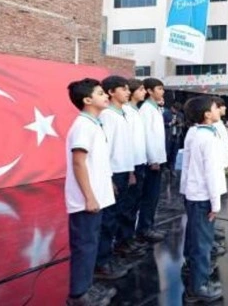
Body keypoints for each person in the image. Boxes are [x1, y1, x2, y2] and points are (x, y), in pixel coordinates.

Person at [65, 78, 116, 306]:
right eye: (100, 93)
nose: (106, 96)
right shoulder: (83, 126)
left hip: (96, 197)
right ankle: (78, 295)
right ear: (87, 100)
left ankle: (86, 287)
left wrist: (107, 183)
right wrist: (89, 196)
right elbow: (79, 162)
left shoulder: (94, 124)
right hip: (86, 201)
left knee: (91, 244)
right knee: (84, 246)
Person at [181, 96, 225, 303]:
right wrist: (216, 204)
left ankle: (194, 274)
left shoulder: (197, 133)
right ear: (207, 114)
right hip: (203, 196)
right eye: (216, 107)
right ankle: (198, 287)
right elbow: (211, 173)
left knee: (196, 238)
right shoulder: (207, 139)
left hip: (195, 194)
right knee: (203, 243)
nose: (219, 110)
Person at [95, 76, 139, 280]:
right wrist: (108, 178)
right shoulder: (107, 116)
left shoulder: (123, 114)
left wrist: (130, 171)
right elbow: (104, 149)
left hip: (123, 171)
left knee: (117, 216)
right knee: (108, 219)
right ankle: (101, 263)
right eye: (124, 89)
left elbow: (125, 147)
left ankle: (111, 253)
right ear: (111, 92)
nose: (128, 92)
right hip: (112, 173)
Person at [115, 79, 149, 256]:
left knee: (134, 203)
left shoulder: (135, 111)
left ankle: (129, 237)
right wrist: (131, 169)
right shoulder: (126, 111)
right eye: (141, 89)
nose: (144, 92)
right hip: (131, 163)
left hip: (139, 161)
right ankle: (123, 240)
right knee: (127, 205)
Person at [137, 78, 167, 244]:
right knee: (149, 196)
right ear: (149, 91)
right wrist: (153, 159)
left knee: (154, 196)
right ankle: (144, 228)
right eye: (159, 88)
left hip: (158, 158)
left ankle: (149, 225)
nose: (162, 92)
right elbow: (147, 137)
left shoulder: (155, 108)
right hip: (152, 161)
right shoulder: (146, 110)